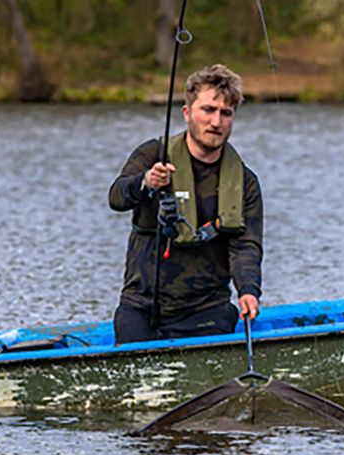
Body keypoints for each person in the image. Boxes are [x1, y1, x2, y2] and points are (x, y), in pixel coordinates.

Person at [108, 64, 262, 343]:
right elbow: (116, 197)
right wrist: (146, 182)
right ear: (187, 112)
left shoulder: (245, 182)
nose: (216, 122)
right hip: (143, 308)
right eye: (208, 110)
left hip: (206, 311)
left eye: (225, 113)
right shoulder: (153, 154)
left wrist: (249, 291)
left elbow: (246, 245)